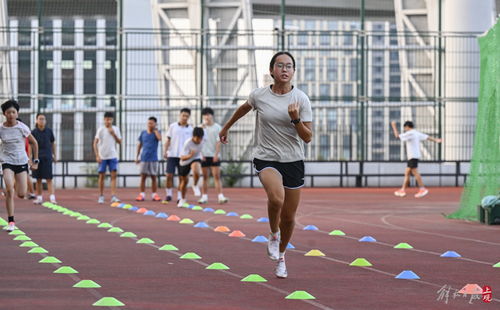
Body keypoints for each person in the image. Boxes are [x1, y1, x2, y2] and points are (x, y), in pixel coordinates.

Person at [219, 51, 312, 279]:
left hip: (293, 160)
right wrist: (226, 127)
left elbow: (307, 137)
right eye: (280, 65)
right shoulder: (259, 95)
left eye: (289, 66)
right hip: (266, 156)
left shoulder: (300, 99)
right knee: (276, 198)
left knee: (289, 218)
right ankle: (273, 233)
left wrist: (296, 119)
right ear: (272, 70)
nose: (284, 69)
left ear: (293, 71)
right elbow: (244, 108)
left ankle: (281, 257)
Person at [0, 100, 39, 232]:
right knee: (9, 189)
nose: (11, 115)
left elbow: (34, 143)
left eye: (13, 112)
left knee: (21, 194)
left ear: (17, 113)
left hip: (21, 162)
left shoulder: (22, 127)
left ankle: (15, 182)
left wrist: (35, 160)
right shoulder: (1, 128)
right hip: (7, 161)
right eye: (8, 112)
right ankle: (11, 221)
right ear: (4, 113)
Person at [391, 121, 442, 198]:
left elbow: (397, 136)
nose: (405, 130)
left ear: (407, 127)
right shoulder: (416, 133)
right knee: (407, 173)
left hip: (412, 156)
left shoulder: (410, 133)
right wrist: (436, 140)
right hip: (414, 156)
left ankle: (422, 189)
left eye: (405, 128)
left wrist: (394, 126)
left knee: (415, 172)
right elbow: (427, 137)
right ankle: (402, 190)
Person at [198, 107, 228, 204]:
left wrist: (216, 154)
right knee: (205, 177)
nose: (207, 116)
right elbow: (198, 142)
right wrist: (200, 154)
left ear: (212, 115)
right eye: (205, 115)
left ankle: (220, 196)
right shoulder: (200, 128)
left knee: (216, 176)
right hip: (204, 155)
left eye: (208, 114)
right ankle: (204, 197)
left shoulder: (217, 127)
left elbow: (218, 142)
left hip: (214, 155)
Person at [163, 108, 193, 203]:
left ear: (189, 117)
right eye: (183, 115)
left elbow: (192, 143)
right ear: (180, 115)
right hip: (172, 155)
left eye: (186, 116)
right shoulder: (173, 126)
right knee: (169, 175)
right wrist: (165, 151)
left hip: (183, 157)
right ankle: (168, 194)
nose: (184, 118)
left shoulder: (191, 129)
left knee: (182, 177)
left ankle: (180, 196)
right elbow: (168, 139)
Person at [93, 112, 122, 204]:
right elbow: (95, 142)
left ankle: (113, 196)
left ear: (112, 120)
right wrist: (97, 155)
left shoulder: (116, 129)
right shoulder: (101, 129)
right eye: (106, 119)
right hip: (103, 156)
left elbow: (119, 141)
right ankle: (101, 196)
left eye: (109, 119)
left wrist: (114, 134)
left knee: (113, 175)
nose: (108, 121)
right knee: (101, 176)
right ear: (104, 120)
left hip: (113, 155)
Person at [31, 113, 57, 204]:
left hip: (47, 157)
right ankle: (39, 197)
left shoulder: (49, 131)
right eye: (40, 119)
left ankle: (52, 198)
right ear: (36, 120)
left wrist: (54, 155)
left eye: (43, 119)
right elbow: (30, 146)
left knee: (49, 178)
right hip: (37, 158)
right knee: (38, 179)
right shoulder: (33, 132)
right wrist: (30, 158)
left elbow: (53, 143)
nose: (42, 121)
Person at [135, 116, 162, 201]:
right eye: (148, 123)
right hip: (144, 158)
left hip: (153, 158)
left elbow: (160, 139)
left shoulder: (157, 132)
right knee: (143, 177)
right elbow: (139, 145)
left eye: (151, 123)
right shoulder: (143, 133)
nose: (149, 125)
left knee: (154, 177)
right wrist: (137, 156)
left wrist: (156, 130)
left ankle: (154, 194)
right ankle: (142, 194)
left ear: (155, 124)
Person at [178, 127, 204, 207]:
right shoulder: (188, 143)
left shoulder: (203, 141)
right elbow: (182, 157)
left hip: (195, 159)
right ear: (193, 136)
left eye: (200, 139)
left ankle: (195, 185)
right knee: (184, 181)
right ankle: (182, 199)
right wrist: (190, 155)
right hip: (185, 161)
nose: (198, 141)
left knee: (196, 170)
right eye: (197, 139)